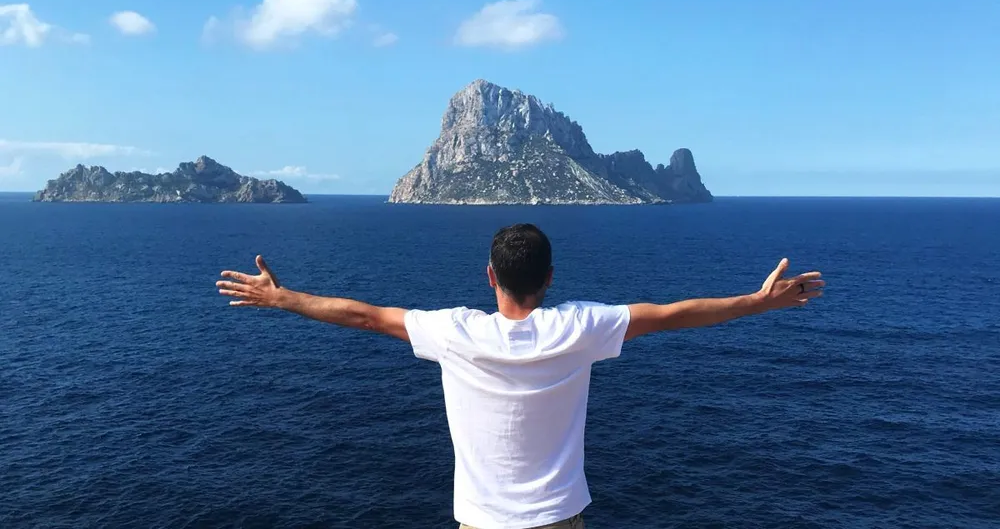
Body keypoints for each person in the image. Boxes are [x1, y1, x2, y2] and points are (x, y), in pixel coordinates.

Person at [216, 223, 823, 529]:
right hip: (560, 517)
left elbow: (365, 315)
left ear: (489, 276)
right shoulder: (581, 328)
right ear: (551, 278)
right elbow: (673, 314)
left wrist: (283, 298)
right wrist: (757, 301)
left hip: (482, 522)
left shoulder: (455, 332)